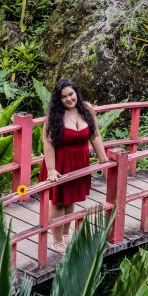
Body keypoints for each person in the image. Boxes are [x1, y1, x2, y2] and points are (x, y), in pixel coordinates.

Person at [39, 79, 108, 251]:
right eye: (64, 97)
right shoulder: (54, 117)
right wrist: (52, 169)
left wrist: (103, 158)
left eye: (71, 94)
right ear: (59, 100)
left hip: (79, 162)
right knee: (59, 202)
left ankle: (65, 233)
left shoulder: (87, 110)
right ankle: (56, 240)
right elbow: (47, 142)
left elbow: (95, 135)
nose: (69, 99)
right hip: (60, 162)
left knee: (71, 200)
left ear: (76, 92)